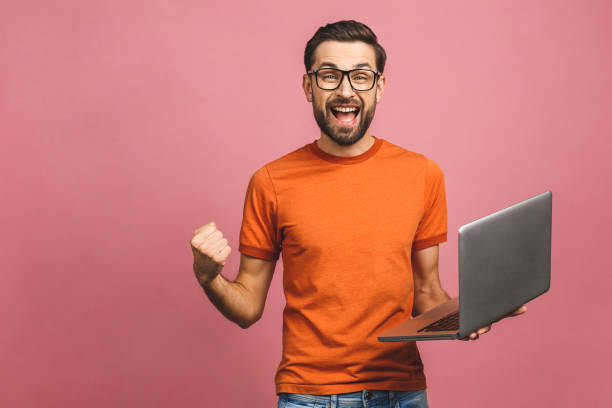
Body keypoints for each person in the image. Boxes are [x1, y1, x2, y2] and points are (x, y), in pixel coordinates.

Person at [190, 20, 527, 408]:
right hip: (309, 397)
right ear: (308, 87)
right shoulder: (270, 182)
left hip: (402, 393)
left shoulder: (423, 175)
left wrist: (469, 315)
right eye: (329, 75)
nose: (345, 90)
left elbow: (427, 292)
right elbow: (247, 307)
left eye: (361, 77)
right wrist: (209, 278)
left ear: (379, 87)